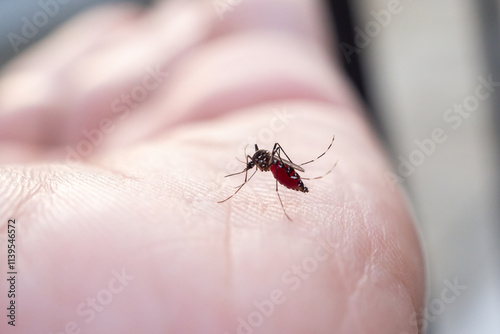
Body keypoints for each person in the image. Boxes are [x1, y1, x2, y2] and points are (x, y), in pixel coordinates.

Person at [0, 0, 424, 333]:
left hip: (288, 173)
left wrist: (285, 171)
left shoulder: (269, 165)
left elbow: (266, 160)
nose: (254, 165)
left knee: (275, 165)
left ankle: (303, 172)